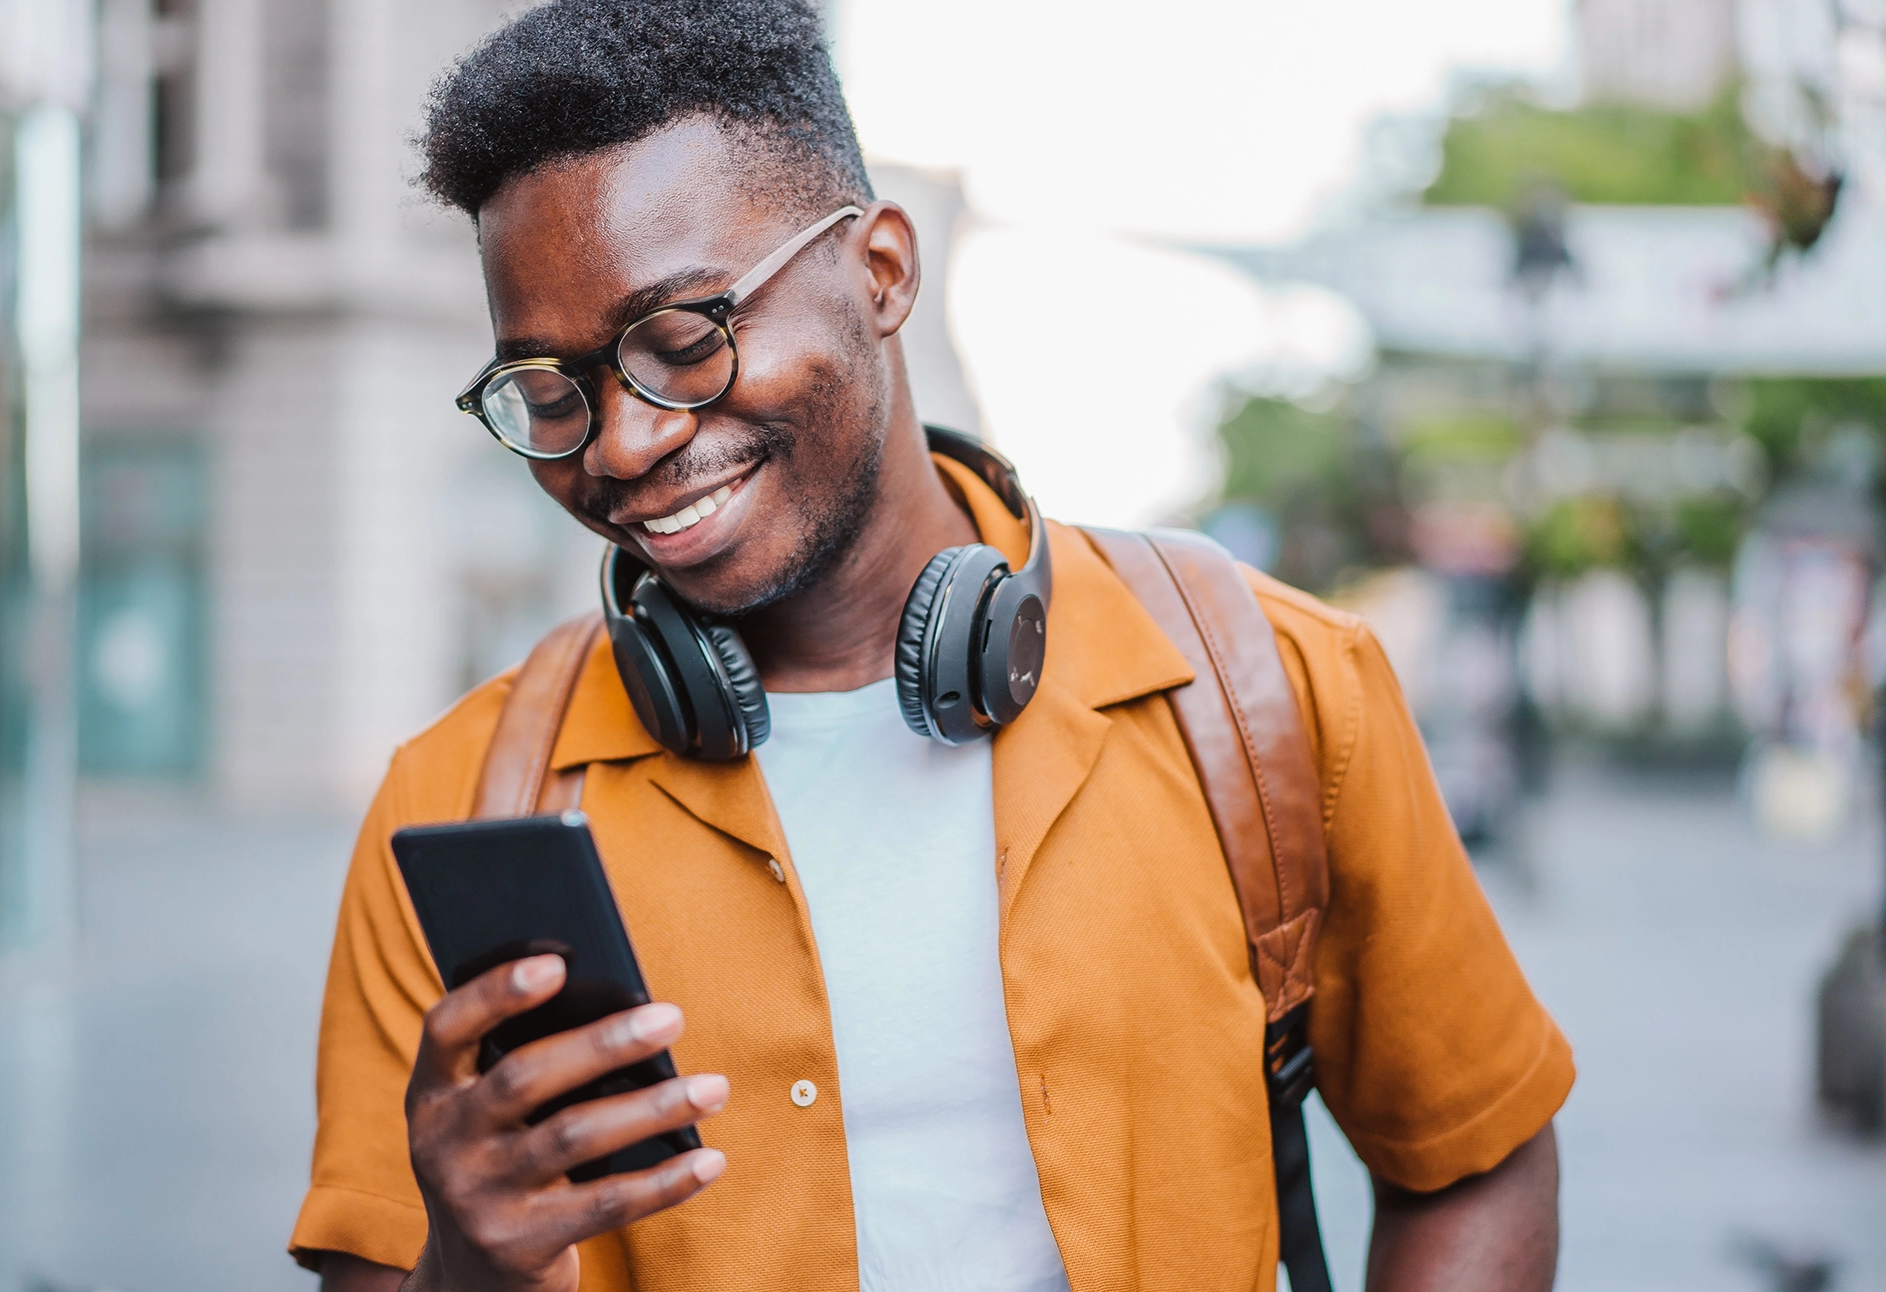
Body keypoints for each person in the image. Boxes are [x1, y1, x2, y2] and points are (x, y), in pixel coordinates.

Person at [294, 2, 1573, 1289]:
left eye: (683, 342)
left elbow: (1471, 1160)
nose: (621, 445)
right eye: (554, 392)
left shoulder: (1272, 696)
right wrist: (466, 1260)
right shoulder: (452, 804)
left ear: (883, 271)